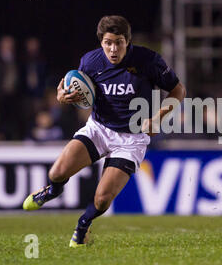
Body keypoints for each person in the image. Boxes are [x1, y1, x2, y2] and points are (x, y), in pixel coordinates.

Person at [22, 15, 186, 247]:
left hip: (131, 139)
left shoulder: (148, 60)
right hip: (99, 129)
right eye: (108, 42)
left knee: (102, 199)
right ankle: (53, 190)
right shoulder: (90, 62)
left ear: (127, 41)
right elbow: (78, 94)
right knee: (57, 172)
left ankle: (83, 226)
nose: (113, 48)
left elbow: (178, 90)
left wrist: (158, 117)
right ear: (101, 42)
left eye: (119, 42)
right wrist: (63, 97)